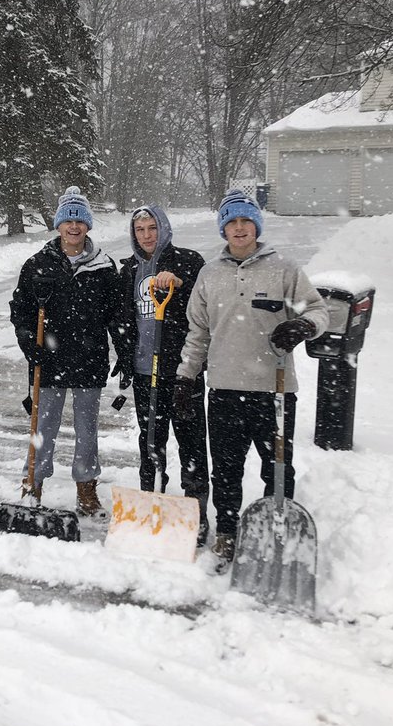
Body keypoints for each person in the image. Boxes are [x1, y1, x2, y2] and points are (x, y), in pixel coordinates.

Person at [172, 188, 329, 566]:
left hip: (274, 391)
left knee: (278, 468)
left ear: (257, 225)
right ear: (223, 229)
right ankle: (227, 533)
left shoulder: (285, 269)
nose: (240, 228)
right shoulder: (210, 274)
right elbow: (198, 332)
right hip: (224, 390)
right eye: (232, 222)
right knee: (226, 469)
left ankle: (277, 531)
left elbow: (319, 310)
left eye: (246, 221)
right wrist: (185, 377)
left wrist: (304, 325)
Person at [10, 186, 120, 517]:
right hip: (49, 359)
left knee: (87, 428)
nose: (74, 227)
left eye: (80, 221)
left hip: (89, 358)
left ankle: (86, 487)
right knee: (44, 425)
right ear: (59, 225)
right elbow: (20, 310)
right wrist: (28, 342)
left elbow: (116, 315)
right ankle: (33, 482)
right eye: (68, 221)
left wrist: (124, 352)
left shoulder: (103, 266)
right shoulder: (38, 264)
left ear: (88, 225)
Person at [112, 205, 210, 546]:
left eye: (152, 228)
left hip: (183, 372)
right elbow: (121, 318)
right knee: (151, 440)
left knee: (191, 441)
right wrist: (125, 356)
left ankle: (195, 510)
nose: (147, 235)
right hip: (144, 371)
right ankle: (151, 500)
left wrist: (180, 283)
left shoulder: (188, 261)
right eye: (140, 230)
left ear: (163, 228)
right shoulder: (129, 270)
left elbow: (205, 303)